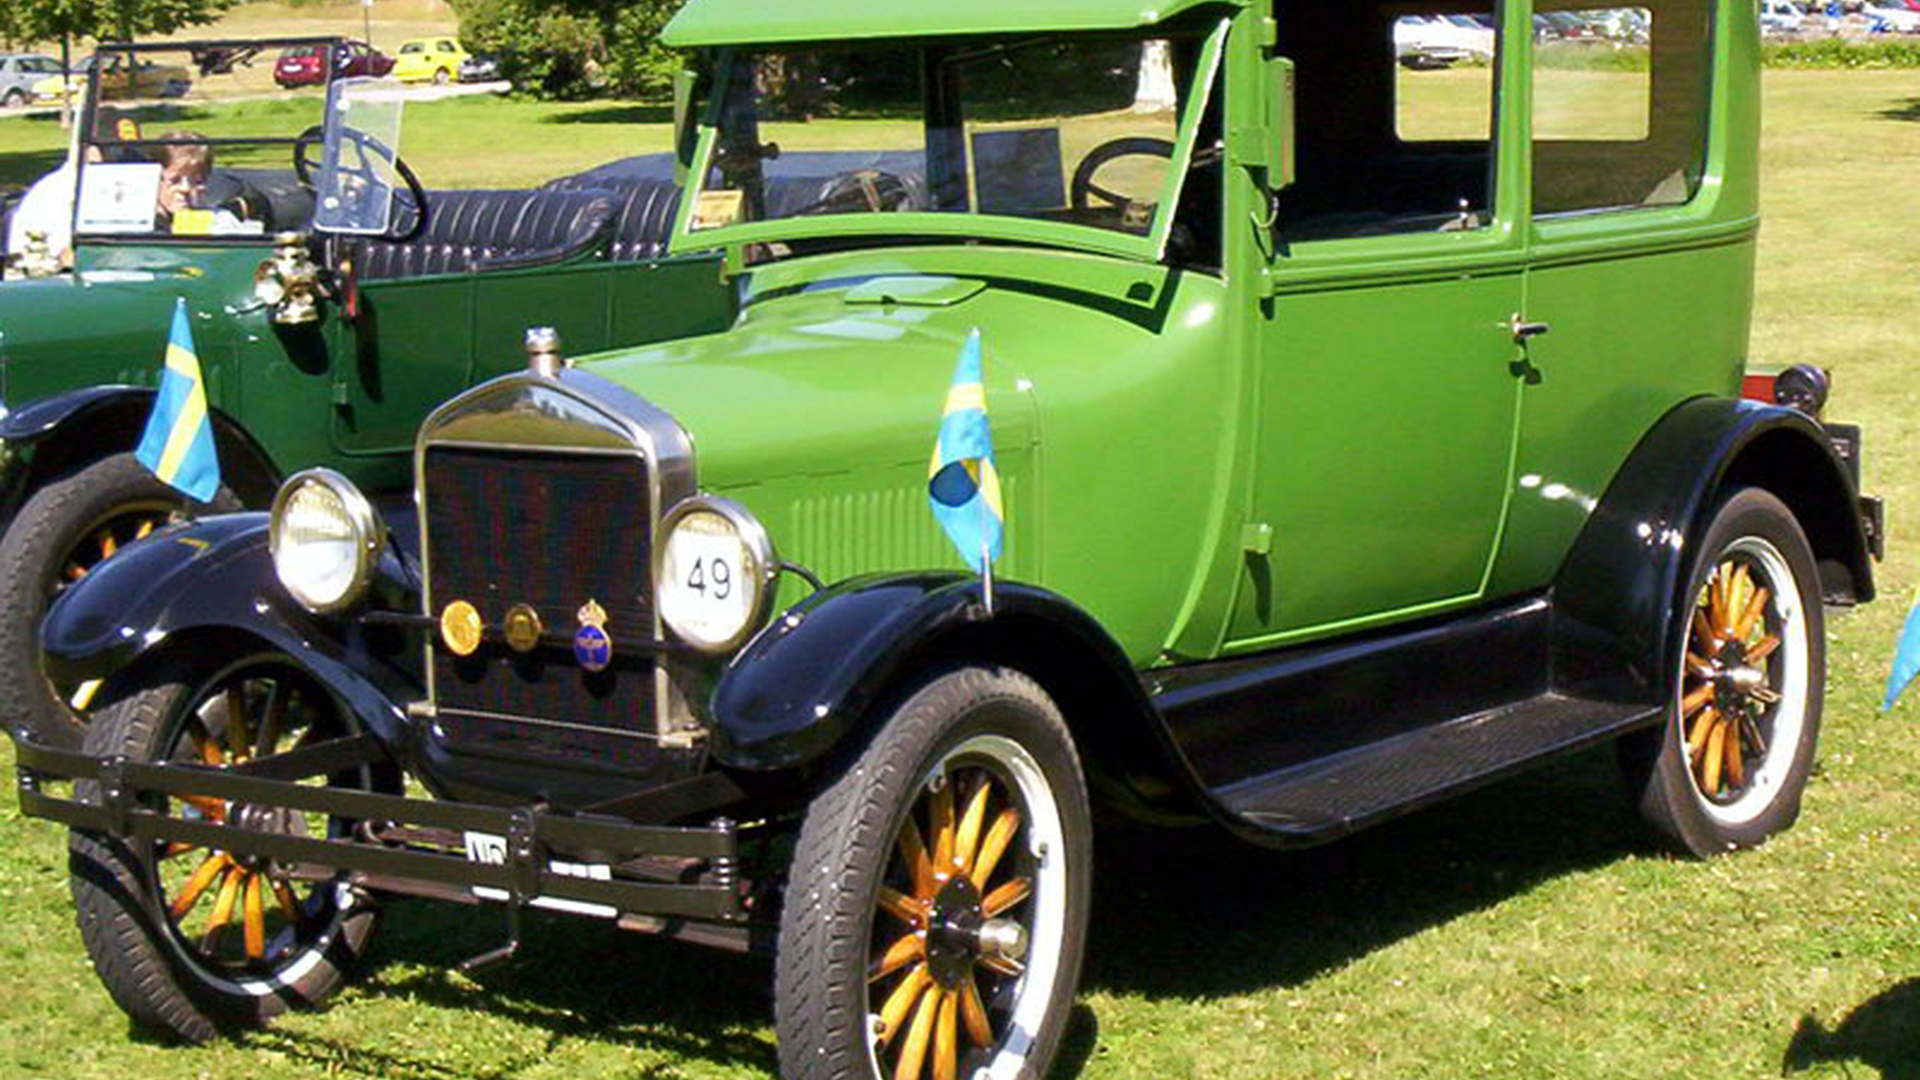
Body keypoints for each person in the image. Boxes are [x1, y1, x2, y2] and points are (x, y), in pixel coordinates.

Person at [4, 108, 136, 272]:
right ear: (88, 149)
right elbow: (61, 260)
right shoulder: (55, 194)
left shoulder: (117, 188)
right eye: (113, 154)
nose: (122, 163)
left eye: (125, 155)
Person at [154, 131, 263, 234]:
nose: (185, 188)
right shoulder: (140, 223)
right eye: (174, 180)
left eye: (197, 181)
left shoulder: (218, 219)